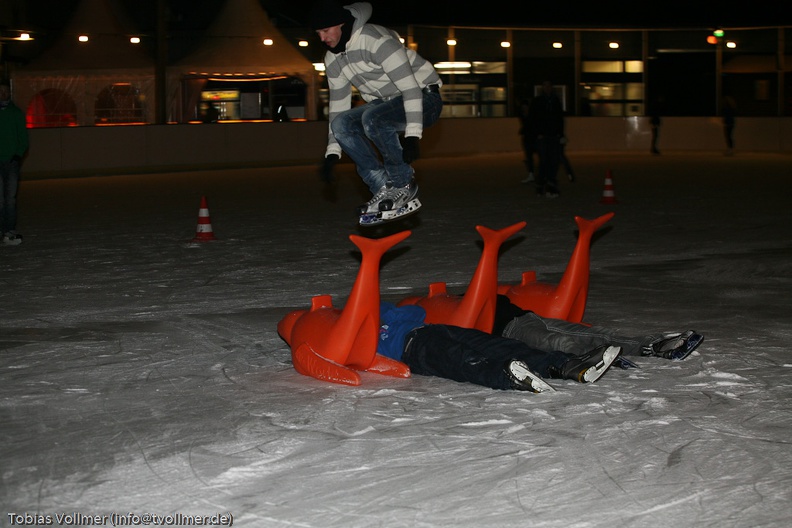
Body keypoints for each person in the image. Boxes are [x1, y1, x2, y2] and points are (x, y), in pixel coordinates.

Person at [377, 295, 704, 393]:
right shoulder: (376, 328)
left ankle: (566, 364)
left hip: (517, 319)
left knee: (578, 334)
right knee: (562, 339)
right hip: (509, 328)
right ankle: (520, 373)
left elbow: (417, 310)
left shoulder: (449, 305)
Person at [310, 1, 443, 222]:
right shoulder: (332, 59)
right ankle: (382, 186)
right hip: (385, 103)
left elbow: (410, 89)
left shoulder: (375, 41)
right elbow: (337, 107)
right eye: (318, 33)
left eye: (326, 31)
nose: (323, 38)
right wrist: (332, 153)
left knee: (373, 118)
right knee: (342, 123)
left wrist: (412, 135)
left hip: (424, 98)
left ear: (341, 25)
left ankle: (403, 184)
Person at [0, 80, 29, 246]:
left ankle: (9, 231)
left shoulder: (16, 113)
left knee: (10, 199)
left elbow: (23, 138)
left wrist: (17, 155)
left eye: (6, 91)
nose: (3, 94)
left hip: (11, 163)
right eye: (0, 91)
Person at [526, 81, 565, 198]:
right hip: (542, 136)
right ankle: (541, 184)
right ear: (542, 87)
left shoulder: (555, 100)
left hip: (553, 135)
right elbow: (532, 118)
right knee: (544, 161)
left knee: (553, 161)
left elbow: (560, 118)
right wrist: (537, 133)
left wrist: (560, 134)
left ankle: (550, 184)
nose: (548, 88)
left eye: (549, 85)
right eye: (545, 86)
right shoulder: (538, 101)